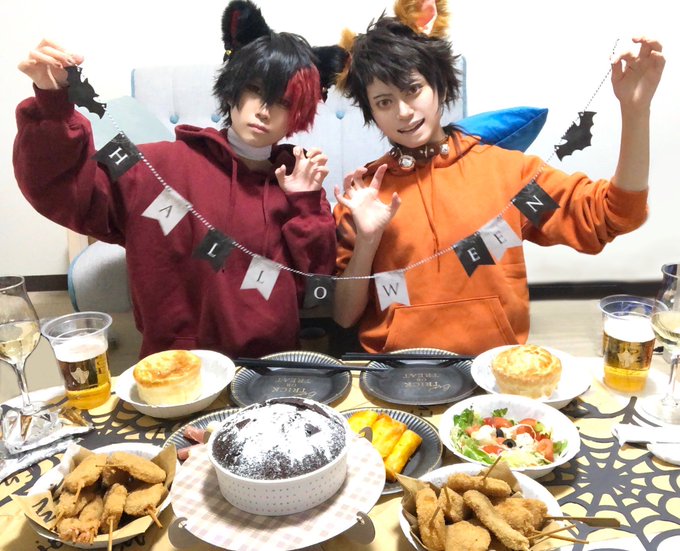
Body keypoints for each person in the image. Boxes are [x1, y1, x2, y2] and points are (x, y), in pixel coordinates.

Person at [14, 0, 345, 358]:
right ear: (233, 87)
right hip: (175, 367)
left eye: (284, 102)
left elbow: (314, 288)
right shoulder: (156, 167)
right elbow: (65, 192)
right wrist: (53, 103)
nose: (265, 111)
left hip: (270, 367)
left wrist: (305, 203)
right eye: (255, 89)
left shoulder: (299, 182)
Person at [332, 0, 665, 355]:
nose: (402, 111)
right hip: (395, 372)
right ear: (372, 113)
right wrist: (367, 240)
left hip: (495, 368)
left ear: (439, 85)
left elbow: (614, 213)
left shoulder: (508, 174)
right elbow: (344, 316)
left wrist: (635, 111)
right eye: (384, 102)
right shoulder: (365, 196)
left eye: (413, 89)